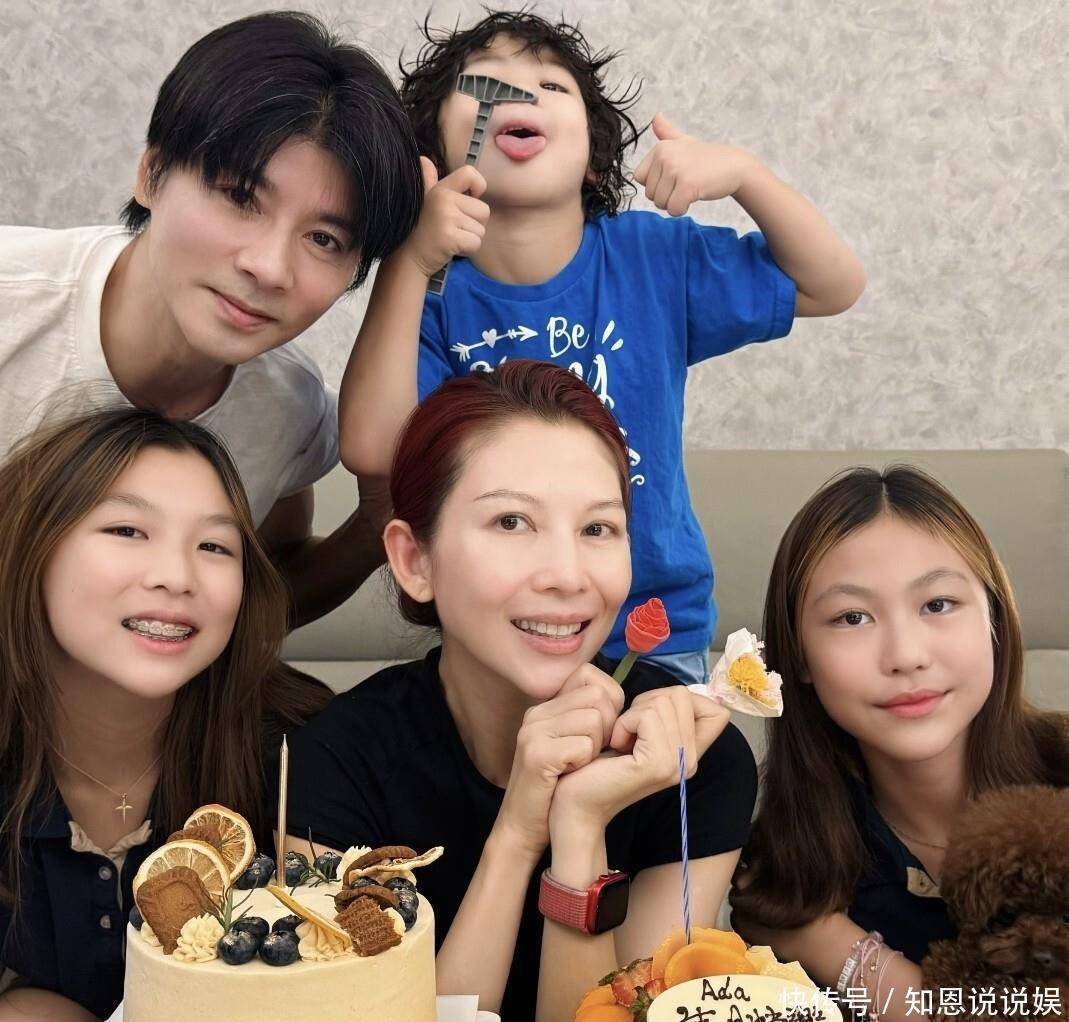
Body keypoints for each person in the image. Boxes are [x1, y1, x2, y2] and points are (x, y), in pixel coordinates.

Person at [338, 9, 865, 683]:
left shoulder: (652, 259)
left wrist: (745, 174)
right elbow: (371, 450)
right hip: (497, 630)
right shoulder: (426, 292)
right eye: (486, 81)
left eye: (551, 87)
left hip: (654, 632)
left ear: (594, 161)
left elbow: (832, 285)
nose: (521, 93)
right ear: (433, 159)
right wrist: (408, 261)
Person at [284, 361, 758, 1022]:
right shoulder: (330, 763)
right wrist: (515, 838)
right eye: (511, 522)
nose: (566, 575)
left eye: (597, 529)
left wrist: (580, 825)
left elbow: (630, 1012)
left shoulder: (693, 760)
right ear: (414, 560)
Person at [0, 11, 424, 627]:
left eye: (324, 239)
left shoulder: (287, 406)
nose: (269, 268)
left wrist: (372, 527)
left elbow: (261, 598)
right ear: (152, 175)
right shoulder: (14, 300)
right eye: (240, 197)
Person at [0, 408, 331, 1021]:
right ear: (31, 544)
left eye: (214, 546)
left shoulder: (302, 749)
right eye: (127, 530)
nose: (177, 577)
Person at [730, 465, 1069, 1019]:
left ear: (994, 617)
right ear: (800, 657)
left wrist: (835, 948)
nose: (906, 655)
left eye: (938, 604)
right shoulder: (790, 863)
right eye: (852, 617)